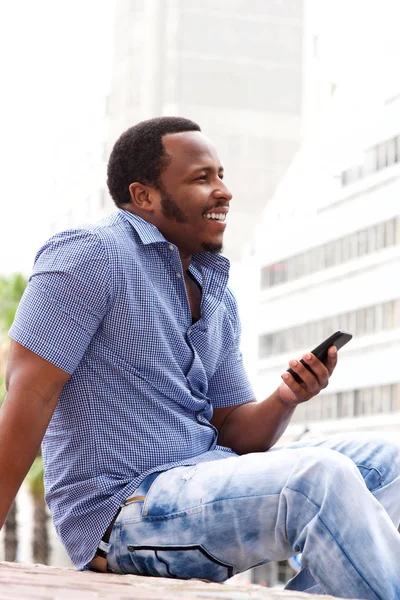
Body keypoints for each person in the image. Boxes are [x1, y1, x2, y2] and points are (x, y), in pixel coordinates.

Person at [1, 116, 399, 599]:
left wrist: (286, 397)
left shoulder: (214, 288)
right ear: (144, 195)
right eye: (201, 178)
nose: (223, 190)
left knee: (389, 462)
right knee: (319, 478)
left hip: (204, 480)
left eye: (221, 174)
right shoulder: (90, 254)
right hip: (124, 510)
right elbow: (30, 396)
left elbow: (235, 432)